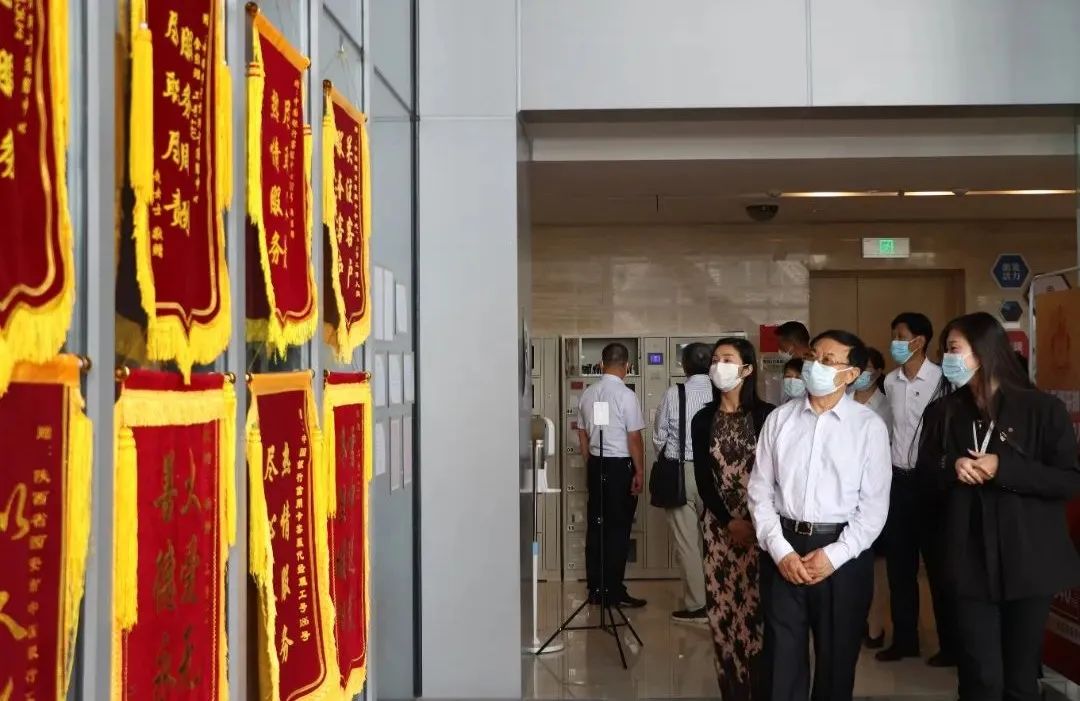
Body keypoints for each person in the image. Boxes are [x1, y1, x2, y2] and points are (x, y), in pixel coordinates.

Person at [915, 312, 1080, 701]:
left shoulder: (1042, 409)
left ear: (984, 350)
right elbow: (924, 478)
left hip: (1029, 560)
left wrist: (1002, 469)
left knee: (1020, 679)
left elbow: (1068, 481)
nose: (947, 358)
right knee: (980, 676)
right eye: (945, 350)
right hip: (966, 561)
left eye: (954, 349)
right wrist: (952, 467)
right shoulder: (944, 412)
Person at [748, 330, 892, 701]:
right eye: (813, 357)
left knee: (836, 664)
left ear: (851, 374)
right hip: (784, 548)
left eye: (828, 360)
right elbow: (759, 492)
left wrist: (834, 556)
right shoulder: (780, 420)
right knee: (781, 663)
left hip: (842, 554)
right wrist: (780, 551)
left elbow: (873, 508)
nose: (815, 366)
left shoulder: (868, 427)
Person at [691, 337, 775, 700]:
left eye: (727, 359)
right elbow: (703, 478)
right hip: (719, 526)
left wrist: (755, 522)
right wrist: (729, 521)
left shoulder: (767, 415)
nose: (718, 366)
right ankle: (733, 689)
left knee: (758, 610)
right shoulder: (702, 419)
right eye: (715, 359)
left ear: (747, 368)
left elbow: (777, 475)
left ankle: (762, 687)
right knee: (723, 610)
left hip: (762, 527)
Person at [879, 312, 955, 666]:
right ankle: (905, 640)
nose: (895, 342)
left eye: (901, 335)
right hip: (898, 483)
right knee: (899, 567)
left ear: (920, 341)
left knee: (938, 568)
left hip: (931, 486)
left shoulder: (943, 380)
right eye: (894, 335)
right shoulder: (890, 382)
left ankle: (950, 645)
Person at [576, 342, 648, 608]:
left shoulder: (588, 393)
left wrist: (591, 461)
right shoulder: (626, 395)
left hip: (597, 464)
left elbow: (581, 432)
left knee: (596, 527)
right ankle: (614, 590)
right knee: (618, 529)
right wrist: (639, 470)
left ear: (601, 365)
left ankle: (596, 589)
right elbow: (634, 437)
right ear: (627, 366)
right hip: (619, 467)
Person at [653, 342, 714, 623]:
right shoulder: (722, 392)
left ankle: (698, 605)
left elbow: (659, 436)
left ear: (684, 366)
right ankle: (721, 600)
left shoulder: (673, 393)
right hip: (716, 474)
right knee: (718, 540)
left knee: (688, 542)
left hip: (682, 472)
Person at [851, 348, 893, 649]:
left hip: (872, 492)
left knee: (876, 566)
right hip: (843, 495)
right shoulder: (843, 400)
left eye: (867, 368)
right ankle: (853, 622)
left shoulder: (886, 407)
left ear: (878, 372)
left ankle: (875, 628)